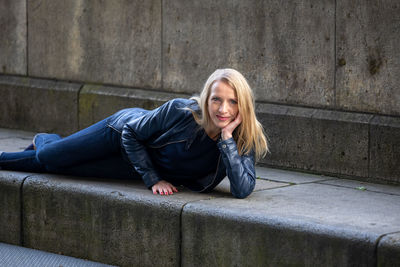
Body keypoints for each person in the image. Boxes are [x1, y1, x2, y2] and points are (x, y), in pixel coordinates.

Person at [0, 68, 268, 198]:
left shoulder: (243, 138)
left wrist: (227, 140)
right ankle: (43, 140)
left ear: (242, 104)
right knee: (49, 156)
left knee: (58, 169)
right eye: (216, 99)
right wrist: (153, 180)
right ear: (206, 98)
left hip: (133, 166)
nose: (223, 109)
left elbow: (242, 190)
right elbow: (131, 132)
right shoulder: (181, 111)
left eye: (232, 102)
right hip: (122, 133)